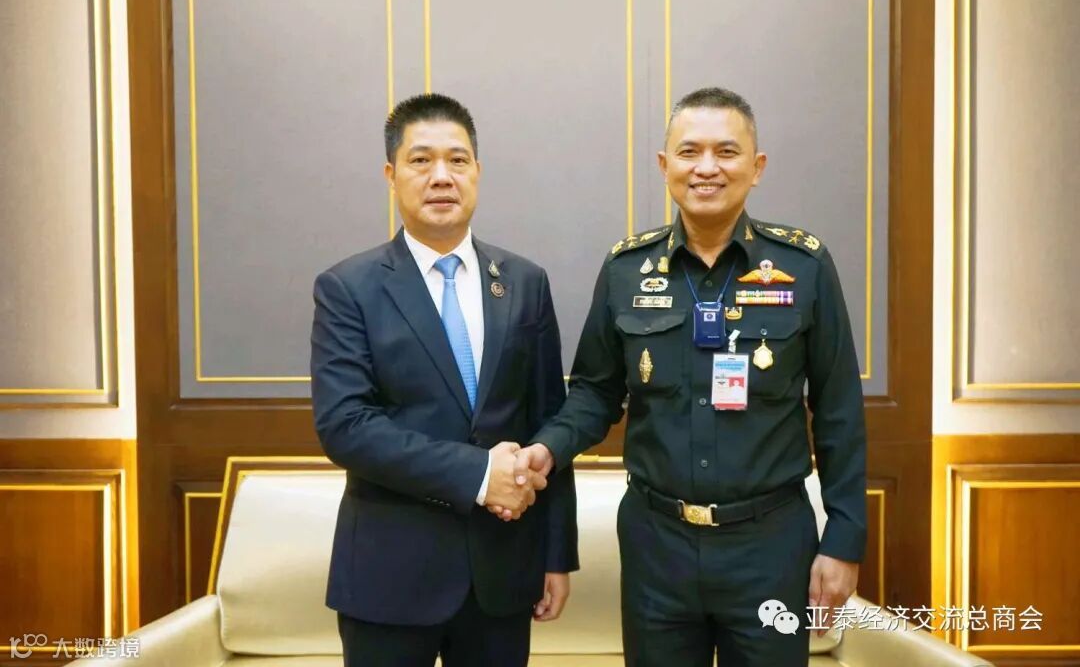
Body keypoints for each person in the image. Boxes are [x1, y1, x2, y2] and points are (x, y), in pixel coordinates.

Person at [508, 87, 866, 666]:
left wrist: (844, 539)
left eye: (726, 151)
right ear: (664, 165)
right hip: (658, 544)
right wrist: (548, 447)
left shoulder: (803, 267)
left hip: (770, 543)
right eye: (689, 151)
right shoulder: (627, 269)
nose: (706, 167)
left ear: (757, 167)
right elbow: (596, 392)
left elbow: (839, 411)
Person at [310, 93, 578, 667]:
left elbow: (549, 419)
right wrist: (479, 474)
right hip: (389, 576)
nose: (441, 176)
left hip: (503, 574)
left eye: (457, 160)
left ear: (477, 171)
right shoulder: (348, 288)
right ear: (391, 175)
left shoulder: (524, 282)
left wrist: (556, 556)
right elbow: (346, 427)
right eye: (420, 160)